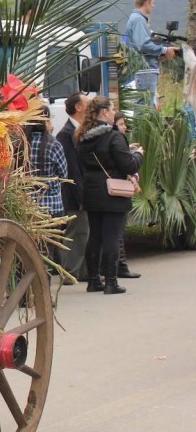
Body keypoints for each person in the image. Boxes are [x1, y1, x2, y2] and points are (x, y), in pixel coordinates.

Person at [76, 96, 143, 295]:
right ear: (104, 112)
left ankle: (94, 280)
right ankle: (111, 282)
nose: (115, 113)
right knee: (112, 236)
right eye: (113, 109)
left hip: (91, 190)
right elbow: (128, 165)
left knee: (95, 236)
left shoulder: (83, 135)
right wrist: (138, 154)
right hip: (112, 191)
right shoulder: (114, 136)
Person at [25, 105, 68, 266]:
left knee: (27, 253)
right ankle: (43, 288)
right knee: (46, 254)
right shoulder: (53, 144)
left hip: (26, 207)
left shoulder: (21, 144)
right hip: (51, 208)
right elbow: (63, 175)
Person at [55, 92, 90, 281]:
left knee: (84, 232)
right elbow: (71, 170)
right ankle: (69, 271)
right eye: (87, 103)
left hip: (81, 190)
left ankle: (83, 271)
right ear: (78, 107)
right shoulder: (66, 134)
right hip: (73, 193)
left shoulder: (80, 131)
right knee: (75, 231)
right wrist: (80, 196)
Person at [124, 0, 176, 106]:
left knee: (147, 105)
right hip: (145, 71)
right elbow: (143, 44)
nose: (153, 5)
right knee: (145, 108)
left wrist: (158, 54)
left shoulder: (136, 19)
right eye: (152, 2)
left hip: (144, 70)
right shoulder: (138, 20)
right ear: (147, 2)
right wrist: (164, 50)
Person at [113, 112, 141, 279]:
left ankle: (120, 264)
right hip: (116, 191)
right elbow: (126, 166)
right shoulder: (116, 140)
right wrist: (137, 155)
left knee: (119, 231)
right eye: (122, 123)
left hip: (118, 190)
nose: (124, 127)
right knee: (116, 232)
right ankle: (119, 266)